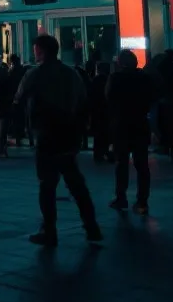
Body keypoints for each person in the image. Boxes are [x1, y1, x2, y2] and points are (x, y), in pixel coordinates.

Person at [15, 34, 101, 246]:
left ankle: (49, 230)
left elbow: (19, 99)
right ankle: (91, 226)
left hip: (46, 134)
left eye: (35, 49)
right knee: (76, 182)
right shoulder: (71, 74)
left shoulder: (34, 74)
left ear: (41, 51)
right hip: (69, 134)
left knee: (47, 185)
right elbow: (83, 102)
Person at [106, 50, 152, 215]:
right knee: (142, 165)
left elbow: (109, 98)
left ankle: (121, 197)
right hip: (140, 124)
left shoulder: (116, 78)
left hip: (121, 125)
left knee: (121, 164)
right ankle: (142, 201)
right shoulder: (144, 78)